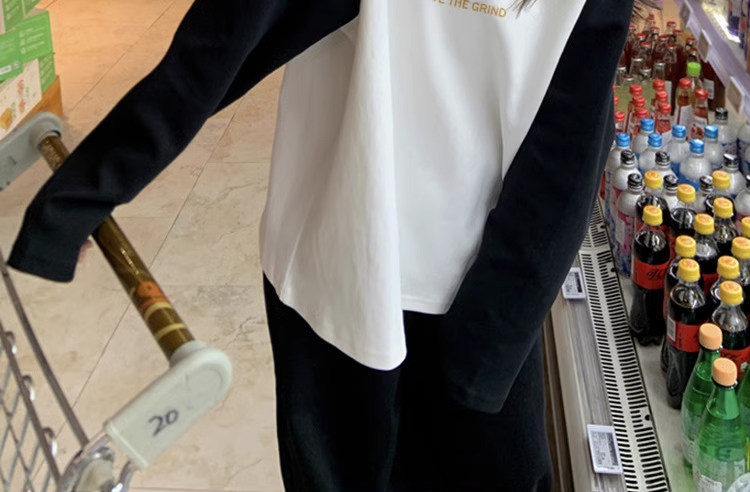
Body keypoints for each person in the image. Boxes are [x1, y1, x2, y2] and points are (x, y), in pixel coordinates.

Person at [8, 0, 635, 490]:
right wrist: (86, 191)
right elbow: (230, 33)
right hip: (348, 275)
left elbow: (569, 148)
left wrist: (82, 195)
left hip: (416, 283)